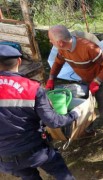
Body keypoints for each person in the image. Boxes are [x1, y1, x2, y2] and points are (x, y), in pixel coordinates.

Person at [0, 45, 80, 179]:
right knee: (61, 173)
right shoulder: (32, 88)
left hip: (5, 158)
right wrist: (74, 115)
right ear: (19, 61)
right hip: (36, 152)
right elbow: (53, 121)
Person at [46, 25, 103, 149]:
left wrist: (97, 81)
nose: (49, 42)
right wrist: (51, 79)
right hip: (85, 79)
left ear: (60, 42)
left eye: (51, 40)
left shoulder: (88, 48)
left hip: (100, 81)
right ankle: (88, 130)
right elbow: (57, 63)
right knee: (86, 106)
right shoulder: (62, 50)